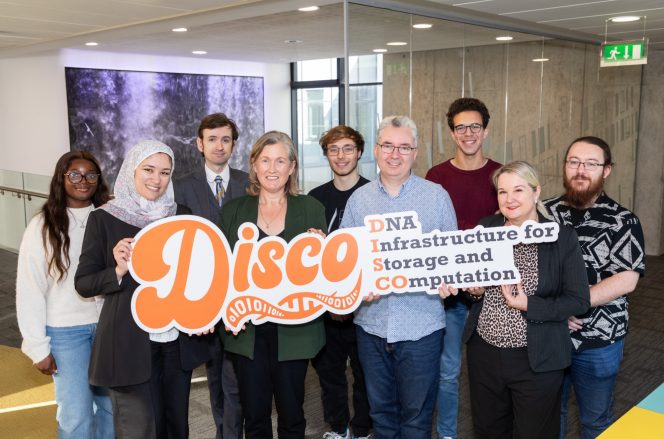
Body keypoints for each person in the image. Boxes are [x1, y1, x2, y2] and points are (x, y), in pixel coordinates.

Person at [75, 140, 210, 438]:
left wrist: (203, 314)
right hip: (128, 344)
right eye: (148, 169)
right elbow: (84, 283)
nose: (156, 179)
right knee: (140, 430)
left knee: (176, 428)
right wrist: (118, 270)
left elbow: (197, 277)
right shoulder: (105, 218)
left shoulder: (181, 215)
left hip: (175, 342)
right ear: (131, 170)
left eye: (164, 172)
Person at [454, 160, 590, 439]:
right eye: (502, 192)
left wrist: (529, 304)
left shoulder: (561, 237)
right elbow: (474, 289)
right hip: (485, 353)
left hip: (536, 358)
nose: (510, 199)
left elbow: (578, 300)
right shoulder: (486, 227)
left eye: (518, 190)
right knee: (489, 431)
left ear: (536, 192)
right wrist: (474, 291)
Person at [340, 115, 457, 439]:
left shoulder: (436, 197)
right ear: (376, 151)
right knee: (381, 416)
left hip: (421, 327)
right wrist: (357, 287)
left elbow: (454, 259)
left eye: (404, 147)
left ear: (416, 153)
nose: (395, 154)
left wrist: (450, 280)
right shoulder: (359, 200)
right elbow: (345, 264)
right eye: (388, 146)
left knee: (417, 418)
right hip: (372, 326)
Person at [219, 131, 327, 439]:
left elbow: (327, 275)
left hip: (295, 328)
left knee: (293, 415)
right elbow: (221, 271)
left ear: (292, 167)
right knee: (254, 416)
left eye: (281, 160)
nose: (272, 168)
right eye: (265, 160)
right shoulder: (232, 211)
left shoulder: (311, 209)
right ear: (253, 164)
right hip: (246, 331)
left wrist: (324, 252)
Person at [545, 136, 645, 439]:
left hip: (600, 340)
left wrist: (570, 304)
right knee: (549, 417)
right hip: (548, 336)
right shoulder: (544, 215)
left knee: (596, 421)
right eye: (574, 162)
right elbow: (526, 269)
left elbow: (627, 279)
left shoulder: (622, 221)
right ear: (564, 166)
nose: (580, 169)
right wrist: (553, 311)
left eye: (591, 164)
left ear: (607, 170)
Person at [16, 151, 114, 438]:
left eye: (90, 175)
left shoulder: (109, 217)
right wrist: (37, 346)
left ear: (98, 180)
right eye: (74, 174)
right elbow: (30, 288)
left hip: (108, 328)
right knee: (76, 415)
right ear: (61, 178)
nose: (83, 181)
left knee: (111, 410)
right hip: (66, 333)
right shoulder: (43, 225)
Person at [425, 97, 501, 439]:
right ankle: (447, 435)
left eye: (475, 126)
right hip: (451, 296)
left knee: (494, 375)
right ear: (452, 133)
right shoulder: (436, 177)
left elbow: (509, 233)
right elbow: (430, 235)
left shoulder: (501, 175)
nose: (468, 133)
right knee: (448, 372)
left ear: (485, 131)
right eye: (461, 127)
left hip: (495, 294)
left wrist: (483, 279)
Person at [174, 112, 248, 439]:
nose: (220, 146)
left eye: (226, 139)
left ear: (234, 144)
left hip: (242, 297)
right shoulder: (180, 188)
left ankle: (231, 432)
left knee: (239, 375)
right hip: (202, 298)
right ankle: (223, 430)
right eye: (213, 139)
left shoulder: (250, 184)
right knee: (215, 373)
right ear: (199, 144)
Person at [309, 125, 372, 439]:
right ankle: (338, 427)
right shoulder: (314, 199)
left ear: (359, 152)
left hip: (366, 304)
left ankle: (362, 429)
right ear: (326, 155)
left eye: (347, 148)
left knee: (365, 372)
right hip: (325, 304)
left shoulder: (373, 194)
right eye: (334, 149)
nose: (341, 156)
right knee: (329, 372)